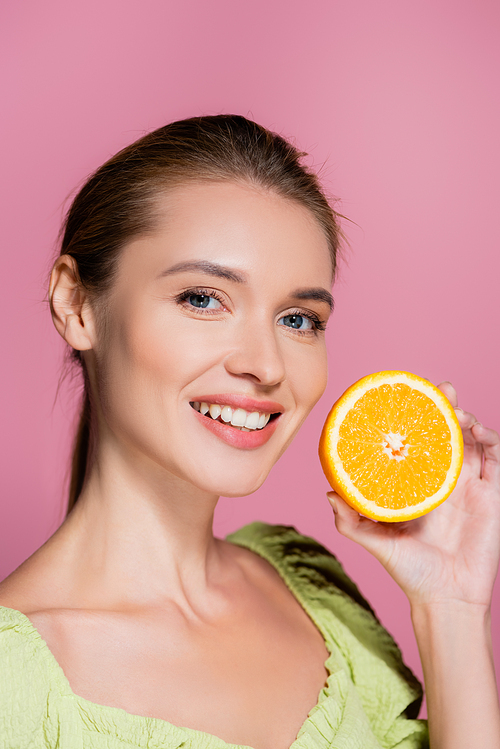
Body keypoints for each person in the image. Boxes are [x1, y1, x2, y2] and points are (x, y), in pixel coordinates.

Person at [0, 114, 499, 749]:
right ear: (76, 304)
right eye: (202, 299)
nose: (265, 364)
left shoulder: (308, 588)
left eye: (298, 318)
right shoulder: (14, 685)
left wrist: (452, 609)